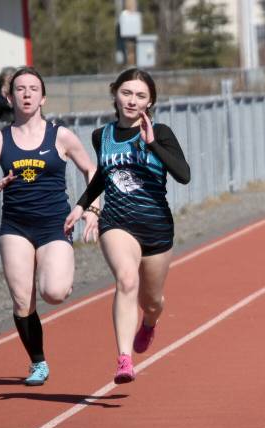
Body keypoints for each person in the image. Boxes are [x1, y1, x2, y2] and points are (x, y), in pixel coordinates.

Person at [0, 66, 99, 385]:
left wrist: (92, 208)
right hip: (15, 227)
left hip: (55, 225)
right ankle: (38, 362)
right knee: (22, 300)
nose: (26, 94)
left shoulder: (61, 135)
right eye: (20, 89)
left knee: (53, 292)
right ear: (10, 98)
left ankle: (59, 270)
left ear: (43, 98)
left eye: (33, 89)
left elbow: (91, 170)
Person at [64, 68, 191, 384]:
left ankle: (149, 323)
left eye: (140, 96)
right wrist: (82, 204)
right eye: (126, 93)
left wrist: (152, 144)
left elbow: (184, 174)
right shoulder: (101, 136)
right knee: (125, 279)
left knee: (152, 301)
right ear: (115, 94)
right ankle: (124, 359)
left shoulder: (160, 133)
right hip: (117, 223)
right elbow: (102, 177)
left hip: (157, 228)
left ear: (149, 102)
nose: (132, 101)